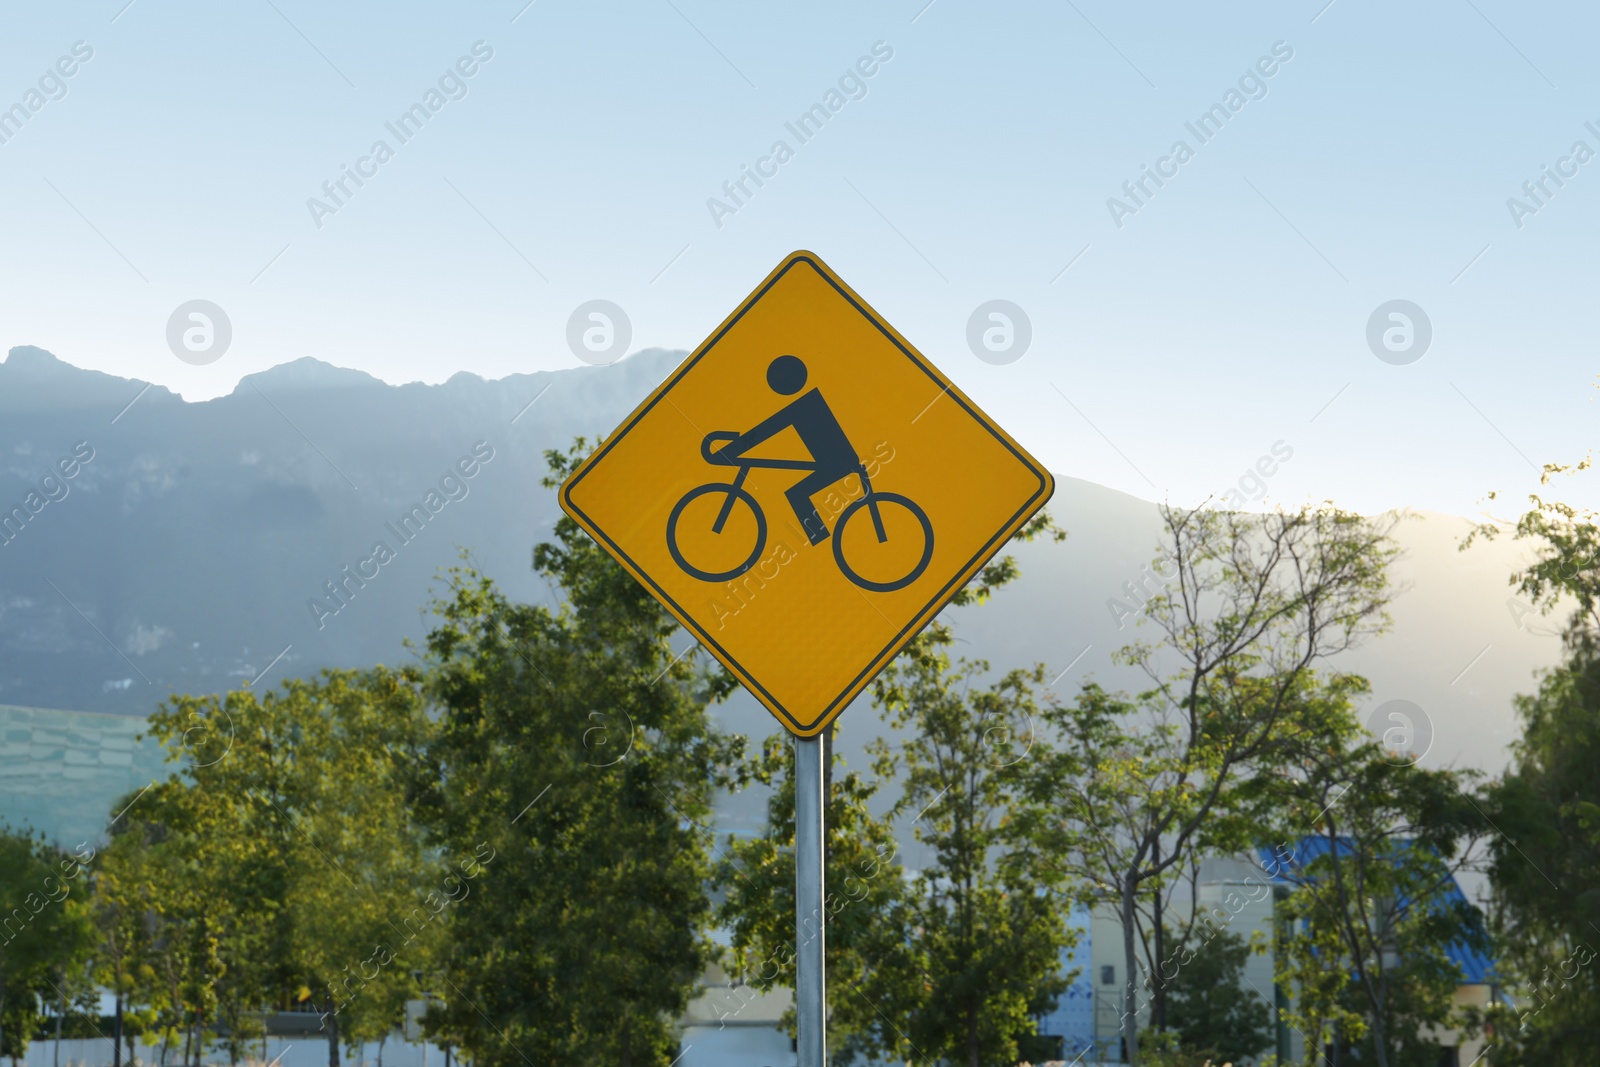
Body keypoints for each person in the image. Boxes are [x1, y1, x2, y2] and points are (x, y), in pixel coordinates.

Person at [712, 354, 861, 545]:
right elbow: (765, 431)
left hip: (839, 463)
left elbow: (765, 431)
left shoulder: (804, 404)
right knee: (796, 491)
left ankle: (819, 543)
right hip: (835, 460)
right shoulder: (808, 401)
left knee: (797, 494)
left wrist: (729, 451)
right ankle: (819, 540)